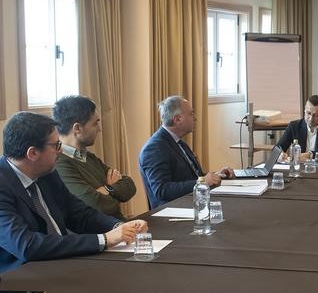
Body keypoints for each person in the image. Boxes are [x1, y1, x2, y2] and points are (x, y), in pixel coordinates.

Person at [0, 112, 147, 273]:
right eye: (56, 145)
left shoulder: (47, 173)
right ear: (33, 153)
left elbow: (79, 213)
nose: (61, 151)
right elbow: (26, 246)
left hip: (65, 262)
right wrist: (104, 239)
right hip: (24, 277)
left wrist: (119, 226)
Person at [139, 96, 234, 209]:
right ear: (177, 119)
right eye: (191, 114)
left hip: (192, 203)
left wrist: (216, 175)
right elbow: (162, 190)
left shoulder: (178, 142)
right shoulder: (154, 148)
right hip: (172, 211)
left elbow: (195, 176)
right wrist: (202, 182)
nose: (195, 118)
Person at [52, 96, 136, 219]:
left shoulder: (88, 157)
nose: (99, 129)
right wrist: (115, 195)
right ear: (77, 128)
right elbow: (93, 205)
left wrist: (106, 189)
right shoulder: (59, 163)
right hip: (100, 234)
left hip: (119, 227)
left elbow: (130, 185)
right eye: (95, 123)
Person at [277, 95, 318, 162]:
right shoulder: (294, 126)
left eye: (316, 115)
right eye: (308, 113)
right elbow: (278, 147)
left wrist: (310, 155)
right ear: (304, 110)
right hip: (299, 166)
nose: (311, 119)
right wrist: (280, 154)